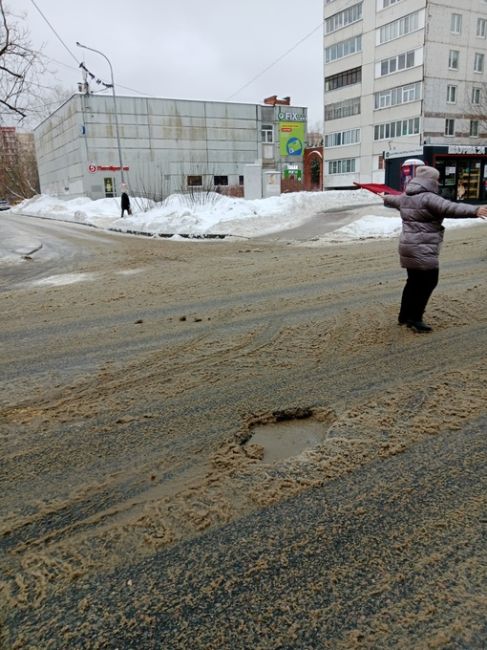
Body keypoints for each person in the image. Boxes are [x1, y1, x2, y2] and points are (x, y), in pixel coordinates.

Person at [382, 165, 487, 333]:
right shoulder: (428, 198)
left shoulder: (406, 196)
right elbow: (451, 208)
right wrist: (475, 210)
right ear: (430, 181)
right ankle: (415, 319)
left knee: (413, 282)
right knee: (428, 282)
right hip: (423, 247)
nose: (438, 182)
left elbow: (392, 200)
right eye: (436, 179)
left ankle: (404, 316)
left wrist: (384, 197)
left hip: (408, 246)